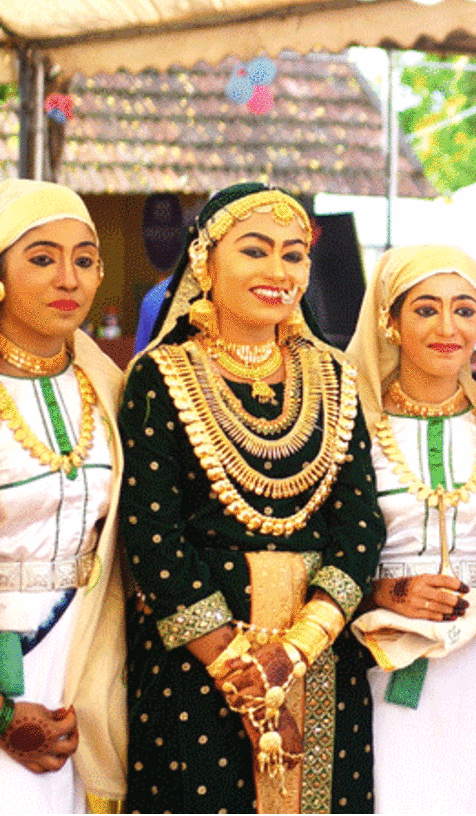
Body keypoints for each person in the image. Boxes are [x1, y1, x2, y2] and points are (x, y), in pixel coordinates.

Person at [119, 183, 382, 813]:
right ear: (207, 262)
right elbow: (155, 540)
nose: (277, 271)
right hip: (200, 665)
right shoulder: (160, 377)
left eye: (294, 255)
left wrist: (293, 651)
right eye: (255, 251)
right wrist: (243, 675)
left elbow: (361, 526)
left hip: (318, 655)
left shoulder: (334, 374)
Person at [347, 244, 476, 813]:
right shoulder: (351, 427)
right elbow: (320, 550)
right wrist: (383, 591)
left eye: (465, 310)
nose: (448, 327)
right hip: (373, 658)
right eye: (425, 309)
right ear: (388, 322)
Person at [0, 180, 126, 812]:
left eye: (84, 259)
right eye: (42, 258)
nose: (68, 279)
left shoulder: (108, 388)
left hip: (85, 664)